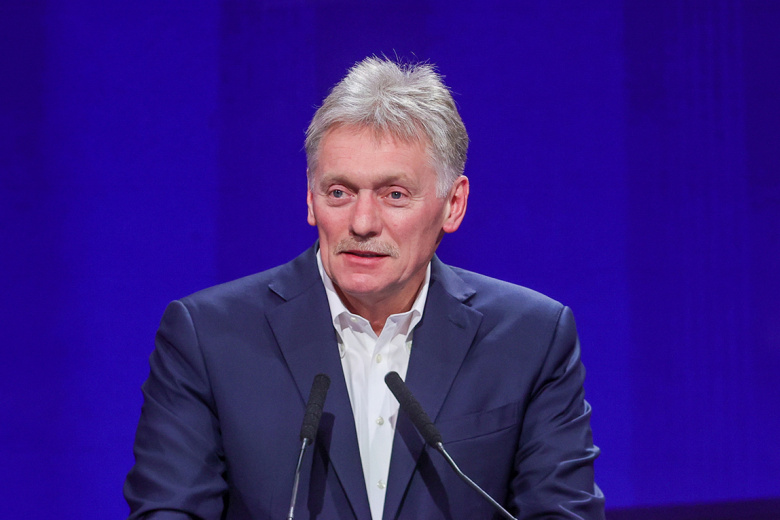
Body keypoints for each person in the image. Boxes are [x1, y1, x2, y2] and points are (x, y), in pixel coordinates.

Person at [125, 56, 605, 519]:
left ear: (453, 204)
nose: (362, 222)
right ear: (310, 198)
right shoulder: (208, 337)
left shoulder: (531, 338)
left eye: (394, 194)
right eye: (339, 192)